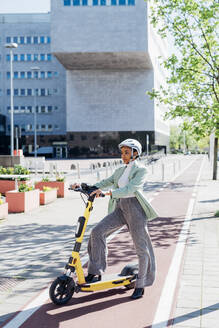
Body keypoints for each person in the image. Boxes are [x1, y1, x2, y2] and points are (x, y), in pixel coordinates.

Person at [72, 139, 158, 300]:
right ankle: (95, 272)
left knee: (141, 247)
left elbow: (130, 189)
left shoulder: (142, 170)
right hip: (120, 208)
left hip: (136, 209)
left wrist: (108, 193)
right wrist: (85, 186)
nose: (123, 155)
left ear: (135, 153)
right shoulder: (120, 171)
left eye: (126, 152)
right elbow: (106, 182)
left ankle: (141, 284)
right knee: (97, 232)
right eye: (122, 152)